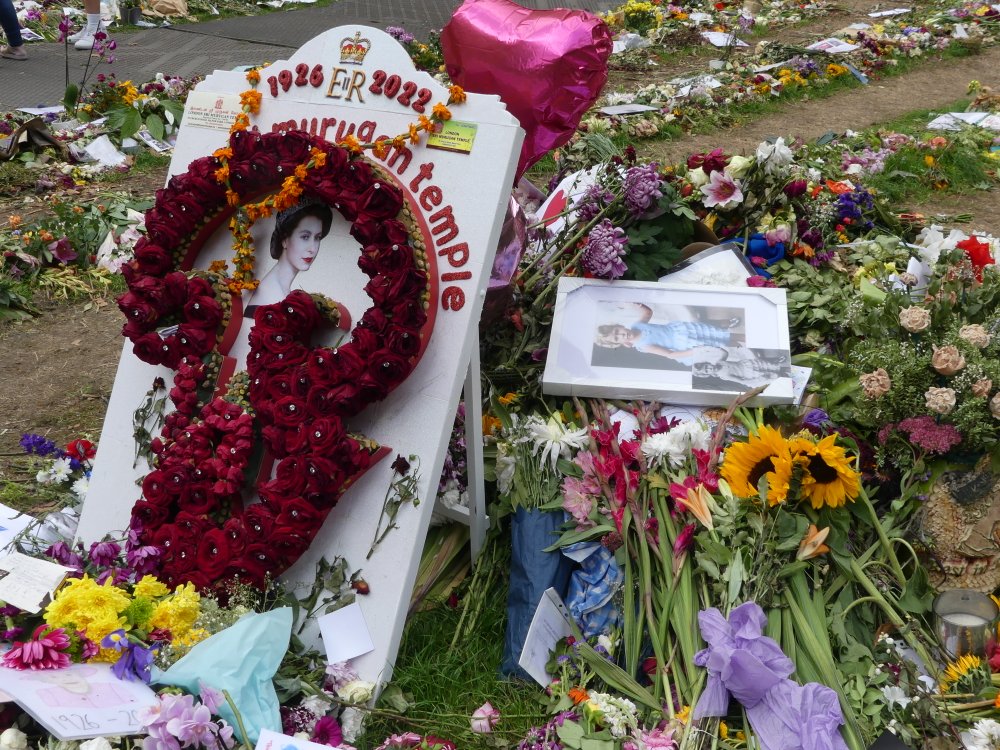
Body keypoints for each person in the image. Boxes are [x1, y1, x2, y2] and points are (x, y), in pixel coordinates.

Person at [243, 197, 333, 317]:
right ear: (285, 240)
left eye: (317, 237)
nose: (313, 248)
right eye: (305, 237)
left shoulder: (281, 291)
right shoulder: (273, 296)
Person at [595, 302, 739, 366]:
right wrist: (694, 351)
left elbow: (648, 313)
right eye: (617, 338)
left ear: (620, 326)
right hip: (684, 344)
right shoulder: (644, 345)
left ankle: (728, 324)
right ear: (619, 343)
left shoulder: (636, 325)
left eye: (617, 331)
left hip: (680, 330)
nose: (621, 335)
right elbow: (670, 354)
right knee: (717, 342)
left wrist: (639, 305)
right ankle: (735, 342)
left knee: (707, 329)